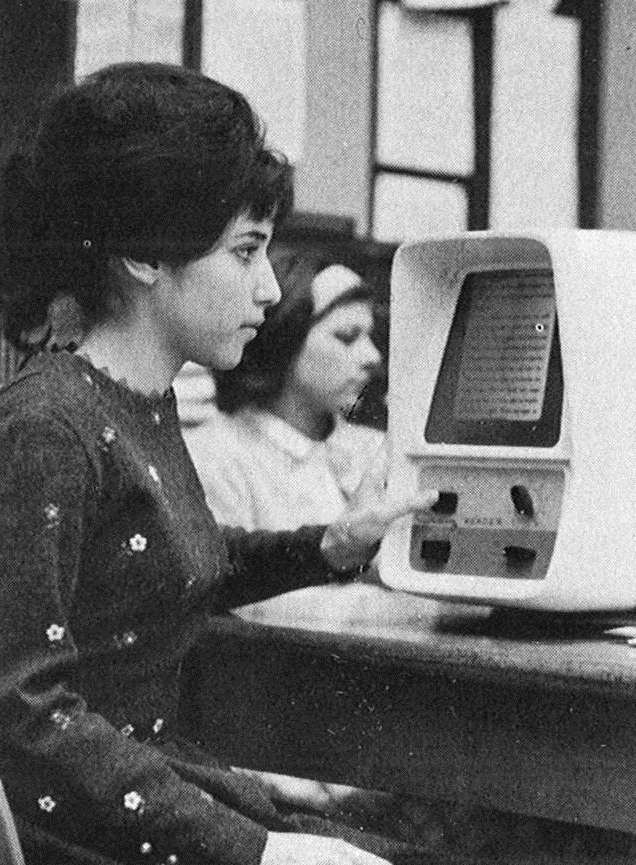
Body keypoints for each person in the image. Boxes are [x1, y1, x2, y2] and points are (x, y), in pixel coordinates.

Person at [0, 63, 441, 865]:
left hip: (152, 797)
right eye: (246, 251)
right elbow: (24, 713)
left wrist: (329, 545)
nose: (269, 288)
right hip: (81, 832)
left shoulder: (137, 403)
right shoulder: (49, 426)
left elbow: (159, 565)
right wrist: (259, 851)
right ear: (145, 252)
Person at [184, 252, 385, 533]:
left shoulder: (377, 450)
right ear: (284, 339)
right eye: (347, 337)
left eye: (369, 336)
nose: (373, 356)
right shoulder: (214, 460)